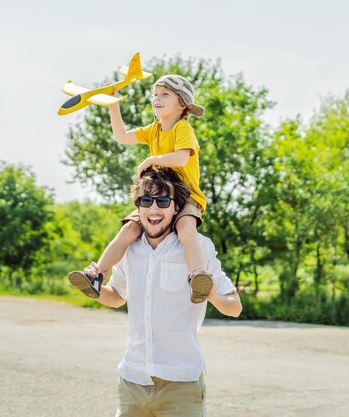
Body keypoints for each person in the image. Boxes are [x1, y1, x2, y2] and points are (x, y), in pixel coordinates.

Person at [72, 166, 242, 416]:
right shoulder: (129, 249)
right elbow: (118, 297)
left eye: (163, 201)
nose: (154, 209)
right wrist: (97, 291)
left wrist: (211, 294)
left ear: (176, 208)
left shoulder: (197, 247)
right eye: (146, 201)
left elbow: (235, 306)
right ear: (138, 207)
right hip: (133, 379)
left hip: (181, 384)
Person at [68, 74, 212, 304]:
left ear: (181, 104)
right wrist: (114, 106)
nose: (157, 98)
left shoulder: (182, 128)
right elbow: (122, 136)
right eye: (155, 94)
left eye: (165, 94)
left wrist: (150, 160)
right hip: (159, 195)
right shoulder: (153, 130)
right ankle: (97, 274)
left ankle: (197, 276)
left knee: (186, 227)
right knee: (128, 230)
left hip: (186, 197)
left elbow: (182, 158)